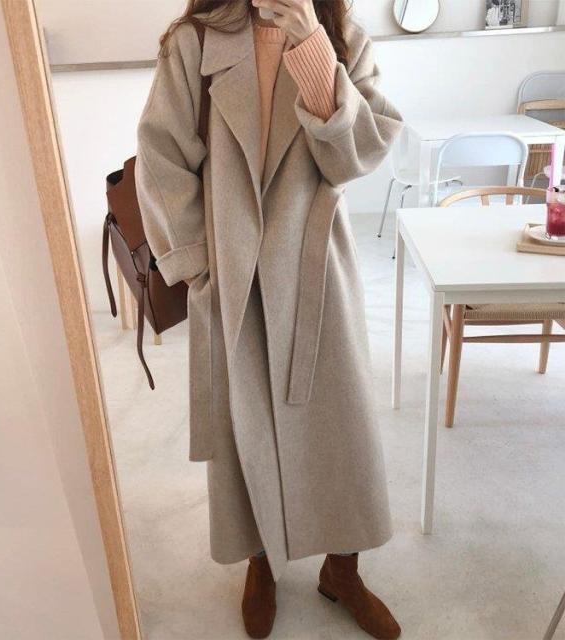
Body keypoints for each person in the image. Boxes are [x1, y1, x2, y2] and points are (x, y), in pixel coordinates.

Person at [136, 1, 404, 637]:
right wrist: (199, 265)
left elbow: (354, 157)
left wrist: (311, 45)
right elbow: (160, 155)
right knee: (246, 426)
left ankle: (343, 569)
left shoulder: (339, 34)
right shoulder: (195, 41)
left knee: (340, 423)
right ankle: (260, 564)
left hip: (315, 266)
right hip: (232, 273)